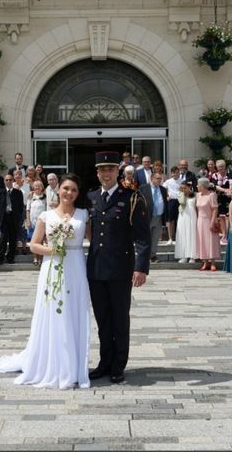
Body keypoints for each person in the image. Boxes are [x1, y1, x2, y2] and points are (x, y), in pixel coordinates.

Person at [0, 173, 91, 389]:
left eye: (73, 190)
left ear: (78, 193)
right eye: (65, 188)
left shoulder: (83, 215)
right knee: (54, 312)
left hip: (77, 268)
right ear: (58, 189)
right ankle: (52, 364)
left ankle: (74, 366)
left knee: (74, 313)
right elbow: (34, 245)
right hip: (52, 267)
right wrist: (53, 250)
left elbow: (94, 239)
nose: (69, 193)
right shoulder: (46, 216)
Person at [87, 151, 150, 384]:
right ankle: (104, 362)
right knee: (103, 319)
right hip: (96, 269)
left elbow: (143, 237)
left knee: (120, 319)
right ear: (97, 172)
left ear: (118, 171)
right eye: (102, 170)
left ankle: (118, 365)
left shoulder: (132, 198)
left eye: (111, 169)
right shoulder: (92, 197)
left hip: (121, 268)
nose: (106, 173)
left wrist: (141, 268)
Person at [0, 174, 25, 265]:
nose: (8, 181)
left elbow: (20, 207)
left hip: (14, 218)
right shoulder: (0, 192)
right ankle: (0, 257)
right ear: (4, 181)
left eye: (10, 180)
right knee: (3, 239)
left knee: (13, 239)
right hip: (4, 218)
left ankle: (10, 257)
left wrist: (18, 217)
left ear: (13, 181)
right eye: (6, 180)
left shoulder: (18, 192)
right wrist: (3, 214)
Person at [139, 172, 167, 264]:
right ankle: (144, 256)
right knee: (146, 238)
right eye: (157, 178)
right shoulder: (143, 188)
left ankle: (153, 255)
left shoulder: (163, 189)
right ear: (152, 178)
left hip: (158, 218)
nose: (159, 180)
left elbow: (164, 203)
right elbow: (139, 202)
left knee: (155, 238)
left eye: (160, 179)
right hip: (146, 217)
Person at [195, 177, 220, 272]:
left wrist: (213, 221)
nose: (197, 186)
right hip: (200, 221)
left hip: (209, 220)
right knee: (202, 241)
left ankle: (213, 262)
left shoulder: (211, 195)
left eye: (198, 185)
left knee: (211, 241)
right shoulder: (198, 195)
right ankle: (205, 262)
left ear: (203, 186)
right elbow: (197, 209)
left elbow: (215, 209)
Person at [212, 159, 232, 245]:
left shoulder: (229, 172)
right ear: (216, 167)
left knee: (228, 216)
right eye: (219, 167)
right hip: (220, 197)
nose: (221, 168)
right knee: (221, 217)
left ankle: (229, 235)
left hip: (229, 197)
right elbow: (215, 186)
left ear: (225, 166)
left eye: (222, 166)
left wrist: (230, 191)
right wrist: (225, 190)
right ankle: (224, 234)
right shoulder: (215, 175)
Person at [174, 181, 197, 264]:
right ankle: (183, 256)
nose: (183, 189)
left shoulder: (195, 195)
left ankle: (192, 256)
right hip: (183, 216)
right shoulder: (181, 195)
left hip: (192, 217)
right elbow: (182, 202)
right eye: (182, 188)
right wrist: (182, 192)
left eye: (185, 188)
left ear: (189, 187)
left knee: (191, 235)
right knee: (183, 235)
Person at [26, 180, 47, 266]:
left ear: (42, 187)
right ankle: (35, 257)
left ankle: (41, 258)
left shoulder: (45, 197)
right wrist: (28, 221)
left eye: (39, 186)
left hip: (42, 223)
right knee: (33, 240)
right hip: (33, 222)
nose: (37, 187)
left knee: (41, 241)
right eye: (35, 186)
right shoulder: (30, 197)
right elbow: (27, 210)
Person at [163, 165, 183, 245]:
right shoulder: (168, 181)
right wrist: (167, 196)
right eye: (174, 173)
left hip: (180, 202)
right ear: (171, 173)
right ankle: (170, 238)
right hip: (171, 201)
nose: (176, 174)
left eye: (177, 173)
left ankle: (179, 238)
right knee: (170, 220)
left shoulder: (182, 181)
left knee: (180, 220)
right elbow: (162, 189)